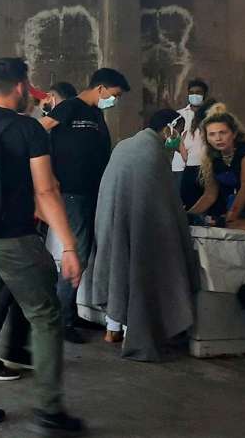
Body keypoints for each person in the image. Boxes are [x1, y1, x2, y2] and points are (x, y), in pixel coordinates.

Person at [0, 57, 84, 434]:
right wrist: (70, 246)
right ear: (22, 87)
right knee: (45, 316)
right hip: (13, 239)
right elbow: (46, 189)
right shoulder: (28, 129)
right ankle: (49, 410)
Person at [80, 110, 195, 361]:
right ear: (168, 130)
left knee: (118, 265)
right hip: (141, 226)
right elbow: (166, 204)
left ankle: (112, 329)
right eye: (179, 132)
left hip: (112, 219)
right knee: (140, 273)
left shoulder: (125, 145)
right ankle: (135, 331)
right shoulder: (152, 154)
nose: (178, 138)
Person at [40, 67, 130, 344]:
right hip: (71, 193)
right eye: (113, 95)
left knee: (85, 252)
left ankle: (70, 311)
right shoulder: (70, 107)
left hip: (92, 193)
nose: (114, 101)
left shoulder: (96, 114)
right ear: (101, 88)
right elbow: (39, 131)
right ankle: (60, 321)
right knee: (75, 253)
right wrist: (46, 174)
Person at [189, 108, 245, 230]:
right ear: (206, 137)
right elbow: (210, 195)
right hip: (239, 208)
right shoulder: (213, 158)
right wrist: (188, 215)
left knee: (231, 224)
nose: (218, 138)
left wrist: (231, 216)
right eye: (212, 134)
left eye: (223, 132)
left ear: (234, 133)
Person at [177, 79, 214, 208]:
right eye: (191, 92)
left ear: (204, 94)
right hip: (182, 167)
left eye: (198, 92)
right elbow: (175, 139)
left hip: (206, 167)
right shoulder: (179, 115)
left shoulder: (212, 115)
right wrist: (182, 152)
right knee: (184, 203)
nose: (194, 95)